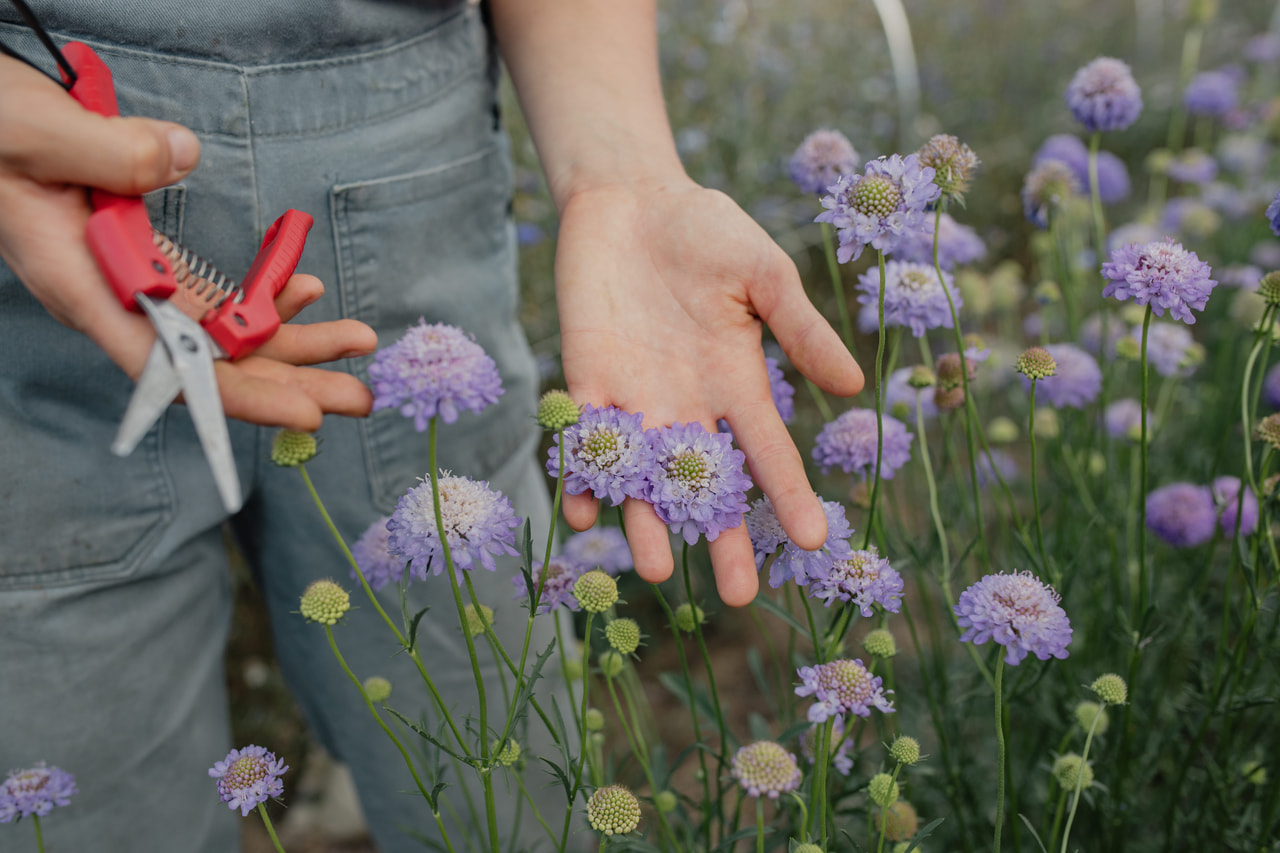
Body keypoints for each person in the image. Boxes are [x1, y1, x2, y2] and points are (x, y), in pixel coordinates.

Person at [0, 1, 862, 850]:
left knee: (511, 795)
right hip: (40, 183)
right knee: (82, 813)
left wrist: (625, 177)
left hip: (406, 168)